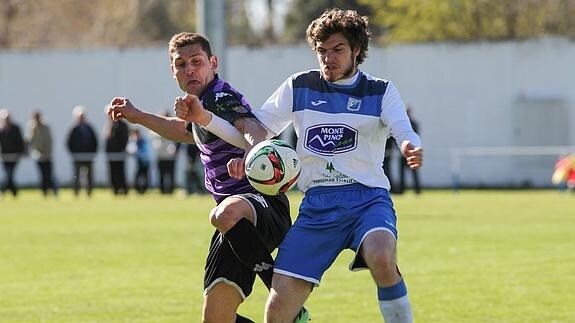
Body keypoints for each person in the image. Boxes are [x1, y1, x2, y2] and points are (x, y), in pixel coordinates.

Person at [182, 9, 423, 322]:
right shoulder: (299, 86)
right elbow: (256, 130)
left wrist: (409, 145)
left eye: (337, 50)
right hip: (316, 207)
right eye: (321, 51)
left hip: (367, 200)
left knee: (380, 253)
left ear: (356, 51)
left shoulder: (380, 91)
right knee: (278, 312)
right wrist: (209, 122)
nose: (328, 58)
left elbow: (403, 129)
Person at [106, 32, 303, 323]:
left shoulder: (219, 96)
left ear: (213, 62)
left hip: (260, 206)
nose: (189, 69)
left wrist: (252, 156)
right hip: (237, 228)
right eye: (180, 64)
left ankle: (283, 294)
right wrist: (138, 116)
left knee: (224, 213)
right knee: (216, 319)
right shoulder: (200, 104)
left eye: (196, 62)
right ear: (172, 71)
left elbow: (252, 127)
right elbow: (186, 133)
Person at [67, 105, 98, 197]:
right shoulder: (73, 128)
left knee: (89, 176)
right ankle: (76, 192)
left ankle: (89, 192)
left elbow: (95, 141)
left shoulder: (89, 128)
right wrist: (74, 153)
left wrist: (93, 153)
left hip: (88, 156)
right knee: (76, 176)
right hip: (77, 156)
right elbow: (69, 142)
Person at [26, 110, 58, 196]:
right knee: (42, 175)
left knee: (49, 175)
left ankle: (54, 191)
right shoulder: (32, 128)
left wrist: (48, 152)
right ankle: (44, 191)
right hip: (38, 155)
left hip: (47, 155)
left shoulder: (46, 127)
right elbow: (29, 141)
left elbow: (49, 141)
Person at [151, 109, 180, 194]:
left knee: (170, 174)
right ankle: (162, 190)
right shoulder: (157, 128)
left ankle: (171, 190)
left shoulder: (174, 127)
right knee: (161, 174)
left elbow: (179, 140)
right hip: (161, 155)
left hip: (170, 156)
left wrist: (175, 150)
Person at [0, 109, 25, 197]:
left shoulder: (15, 128)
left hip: (14, 156)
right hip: (5, 156)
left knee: (10, 175)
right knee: (8, 175)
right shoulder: (1, 130)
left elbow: (20, 142)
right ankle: (13, 192)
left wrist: (21, 152)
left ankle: (4, 191)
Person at [396, 106, 421, 195]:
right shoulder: (402, 124)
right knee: (402, 173)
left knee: (414, 172)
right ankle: (401, 190)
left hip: (411, 152)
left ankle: (417, 190)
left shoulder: (413, 123)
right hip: (402, 153)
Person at [104, 118, 129, 195]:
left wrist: (121, 149)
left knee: (120, 172)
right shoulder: (109, 125)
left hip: (119, 154)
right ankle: (115, 189)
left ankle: (123, 189)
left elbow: (124, 138)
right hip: (111, 154)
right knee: (113, 173)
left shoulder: (122, 125)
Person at [128, 128, 151, 195]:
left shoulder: (142, 141)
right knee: (138, 176)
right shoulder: (136, 141)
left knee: (145, 176)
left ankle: (144, 189)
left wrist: (136, 153)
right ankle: (138, 189)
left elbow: (143, 151)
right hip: (139, 161)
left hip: (145, 162)